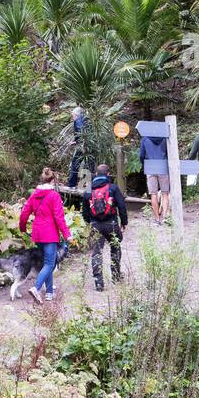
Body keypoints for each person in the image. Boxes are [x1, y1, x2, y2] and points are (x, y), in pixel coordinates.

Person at [19, 168, 71, 305]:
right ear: (53, 180)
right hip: (49, 233)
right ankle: (36, 288)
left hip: (37, 233)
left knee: (49, 262)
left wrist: (23, 228)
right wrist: (67, 234)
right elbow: (59, 218)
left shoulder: (34, 194)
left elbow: (24, 213)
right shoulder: (54, 196)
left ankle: (49, 293)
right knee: (50, 263)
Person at [82, 162, 128, 292]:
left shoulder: (88, 190)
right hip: (111, 224)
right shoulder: (113, 188)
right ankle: (116, 276)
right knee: (115, 247)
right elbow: (122, 206)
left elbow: (85, 211)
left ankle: (99, 283)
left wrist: (90, 222)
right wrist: (124, 222)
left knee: (96, 252)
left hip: (95, 225)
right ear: (108, 174)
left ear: (96, 174)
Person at [139, 131, 170, 223]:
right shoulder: (165, 138)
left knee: (153, 194)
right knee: (165, 193)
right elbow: (169, 153)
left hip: (150, 166)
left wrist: (145, 164)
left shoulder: (145, 139)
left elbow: (141, 155)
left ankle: (156, 219)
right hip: (163, 166)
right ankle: (164, 217)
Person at [68, 106, 88, 188]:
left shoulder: (78, 119)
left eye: (72, 115)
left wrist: (81, 143)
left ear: (76, 114)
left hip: (82, 145)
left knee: (75, 163)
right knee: (88, 164)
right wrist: (75, 141)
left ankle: (72, 185)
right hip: (88, 144)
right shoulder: (87, 119)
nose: (72, 117)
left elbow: (81, 131)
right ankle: (86, 186)